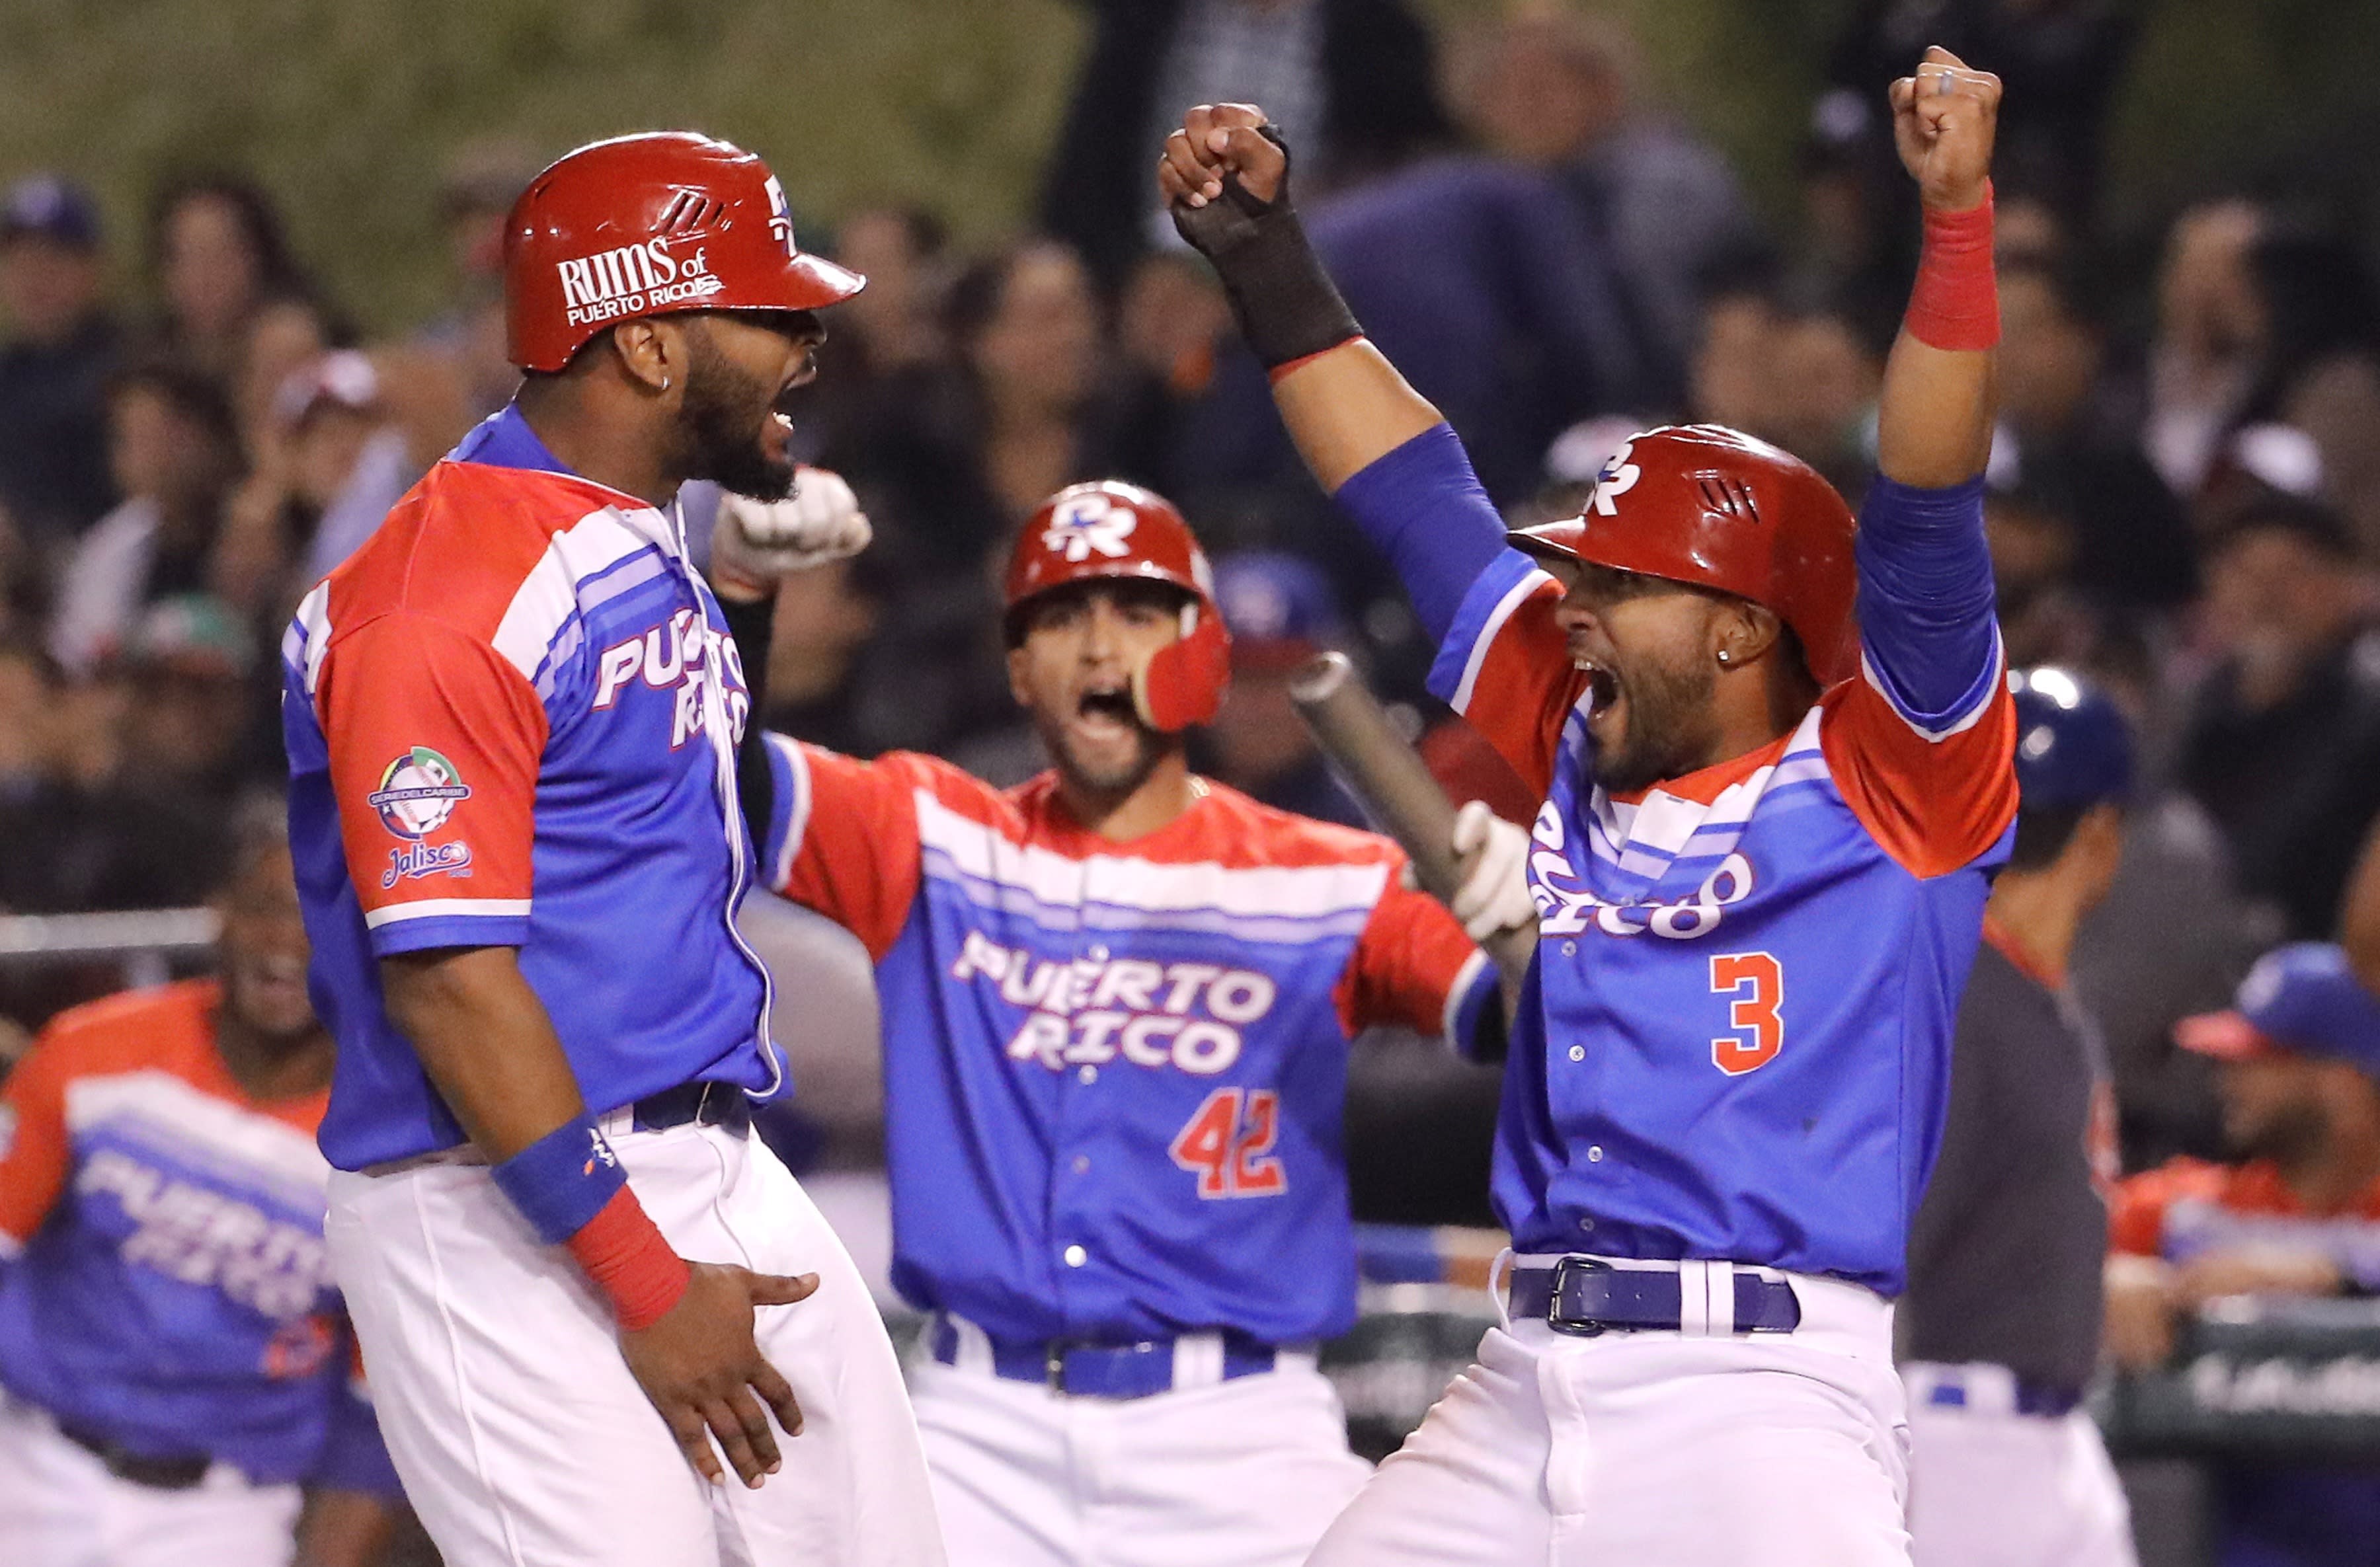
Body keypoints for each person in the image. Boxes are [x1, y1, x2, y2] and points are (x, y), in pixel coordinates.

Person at [1160, 42, 2014, 1563]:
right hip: (1523, 1368)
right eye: (1579, 571)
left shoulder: (1895, 778)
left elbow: (1930, 496)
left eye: (1623, 581)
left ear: (1749, 625)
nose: (1577, 604)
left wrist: (1954, 223)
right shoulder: (1570, 719)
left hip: (1757, 1392)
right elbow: (1418, 496)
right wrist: (1270, 259)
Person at [280, 130, 944, 1567]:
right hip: (498, 1201)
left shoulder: (623, 529)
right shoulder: (436, 599)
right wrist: (644, 1284)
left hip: (706, 1149)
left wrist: (746, 593)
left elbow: (642, 812)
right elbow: (451, 980)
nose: (807, 340)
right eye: (767, 313)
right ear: (644, 345)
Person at [733, 477, 1505, 1567]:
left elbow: (1536, 1030)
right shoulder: (933, 835)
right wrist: (737, 596)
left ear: (1204, 653)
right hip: (975, 1429)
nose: (1100, 647)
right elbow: (703, 768)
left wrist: (1529, 931)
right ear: (1017, 668)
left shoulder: (1327, 878)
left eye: (1137, 612)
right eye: (1060, 616)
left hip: (1238, 1434)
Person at [0, 810, 403, 1567]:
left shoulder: (389, 1147)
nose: (290, 942)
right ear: (220, 913)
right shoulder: (93, 1050)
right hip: (28, 1468)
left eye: (325, 916)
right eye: (268, 907)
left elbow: (374, 1414)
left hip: (226, 1520)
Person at [1899, 666, 2137, 1567]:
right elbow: (1890, 1245)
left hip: (2053, 1435)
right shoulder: (1958, 996)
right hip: (1954, 1438)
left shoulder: (2025, 988)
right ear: (2101, 832)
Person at [2104, 943, 2380, 1567]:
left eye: (2259, 1061)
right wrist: (2113, 1274)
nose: (2227, 1078)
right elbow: (2033, 1259)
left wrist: (2335, 1273)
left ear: (2342, 1083)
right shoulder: (2186, 1209)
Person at [0, 174, 120, 559]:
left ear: (91, 267)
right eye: (20, 261)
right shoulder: (10, 375)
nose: (34, 277)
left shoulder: (129, 368)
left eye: (52, 259)